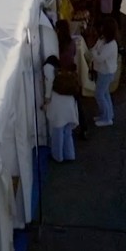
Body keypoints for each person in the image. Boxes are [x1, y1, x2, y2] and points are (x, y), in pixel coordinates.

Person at [43, 20, 80, 162]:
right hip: (70, 91)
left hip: (59, 98)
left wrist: (47, 98)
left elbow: (49, 82)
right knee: (67, 131)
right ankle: (70, 154)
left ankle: (57, 156)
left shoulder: (52, 60)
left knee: (58, 130)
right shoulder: (71, 44)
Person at [91, 18, 119, 127]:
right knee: (105, 93)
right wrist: (95, 52)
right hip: (103, 71)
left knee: (99, 94)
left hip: (106, 72)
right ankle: (107, 114)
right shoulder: (104, 40)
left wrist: (94, 53)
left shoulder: (110, 45)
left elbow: (99, 57)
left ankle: (107, 118)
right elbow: (96, 49)